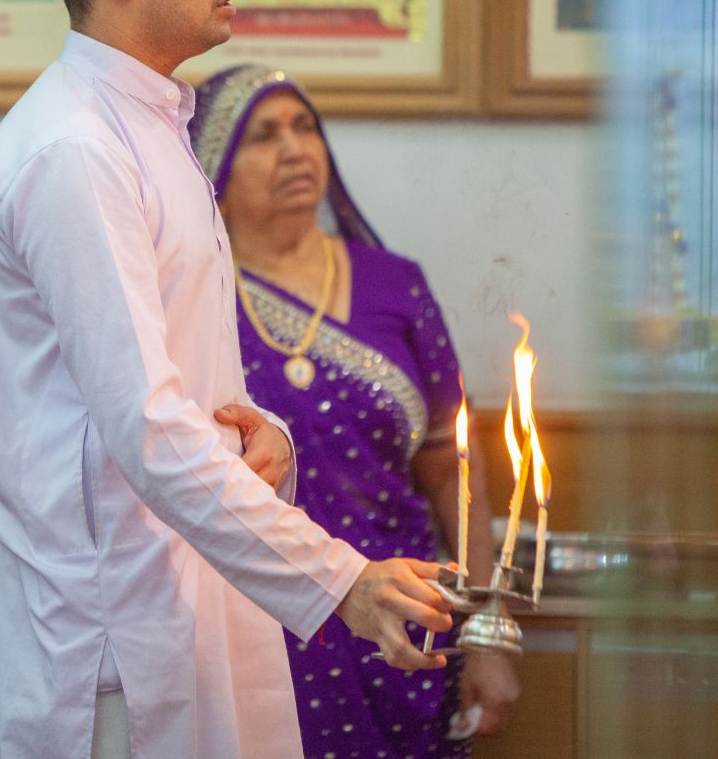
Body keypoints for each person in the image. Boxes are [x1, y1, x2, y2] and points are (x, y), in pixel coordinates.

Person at [0, 0, 452, 759]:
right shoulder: (74, 152)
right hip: (112, 636)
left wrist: (260, 430)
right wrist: (346, 581)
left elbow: (170, 382)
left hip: (191, 594)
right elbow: (144, 423)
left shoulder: (149, 124)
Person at [192, 64, 521, 755]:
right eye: (262, 135)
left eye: (304, 126)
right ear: (213, 164)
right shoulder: (191, 298)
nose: (293, 150)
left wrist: (487, 632)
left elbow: (453, 471)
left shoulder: (394, 285)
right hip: (254, 626)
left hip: (402, 621)